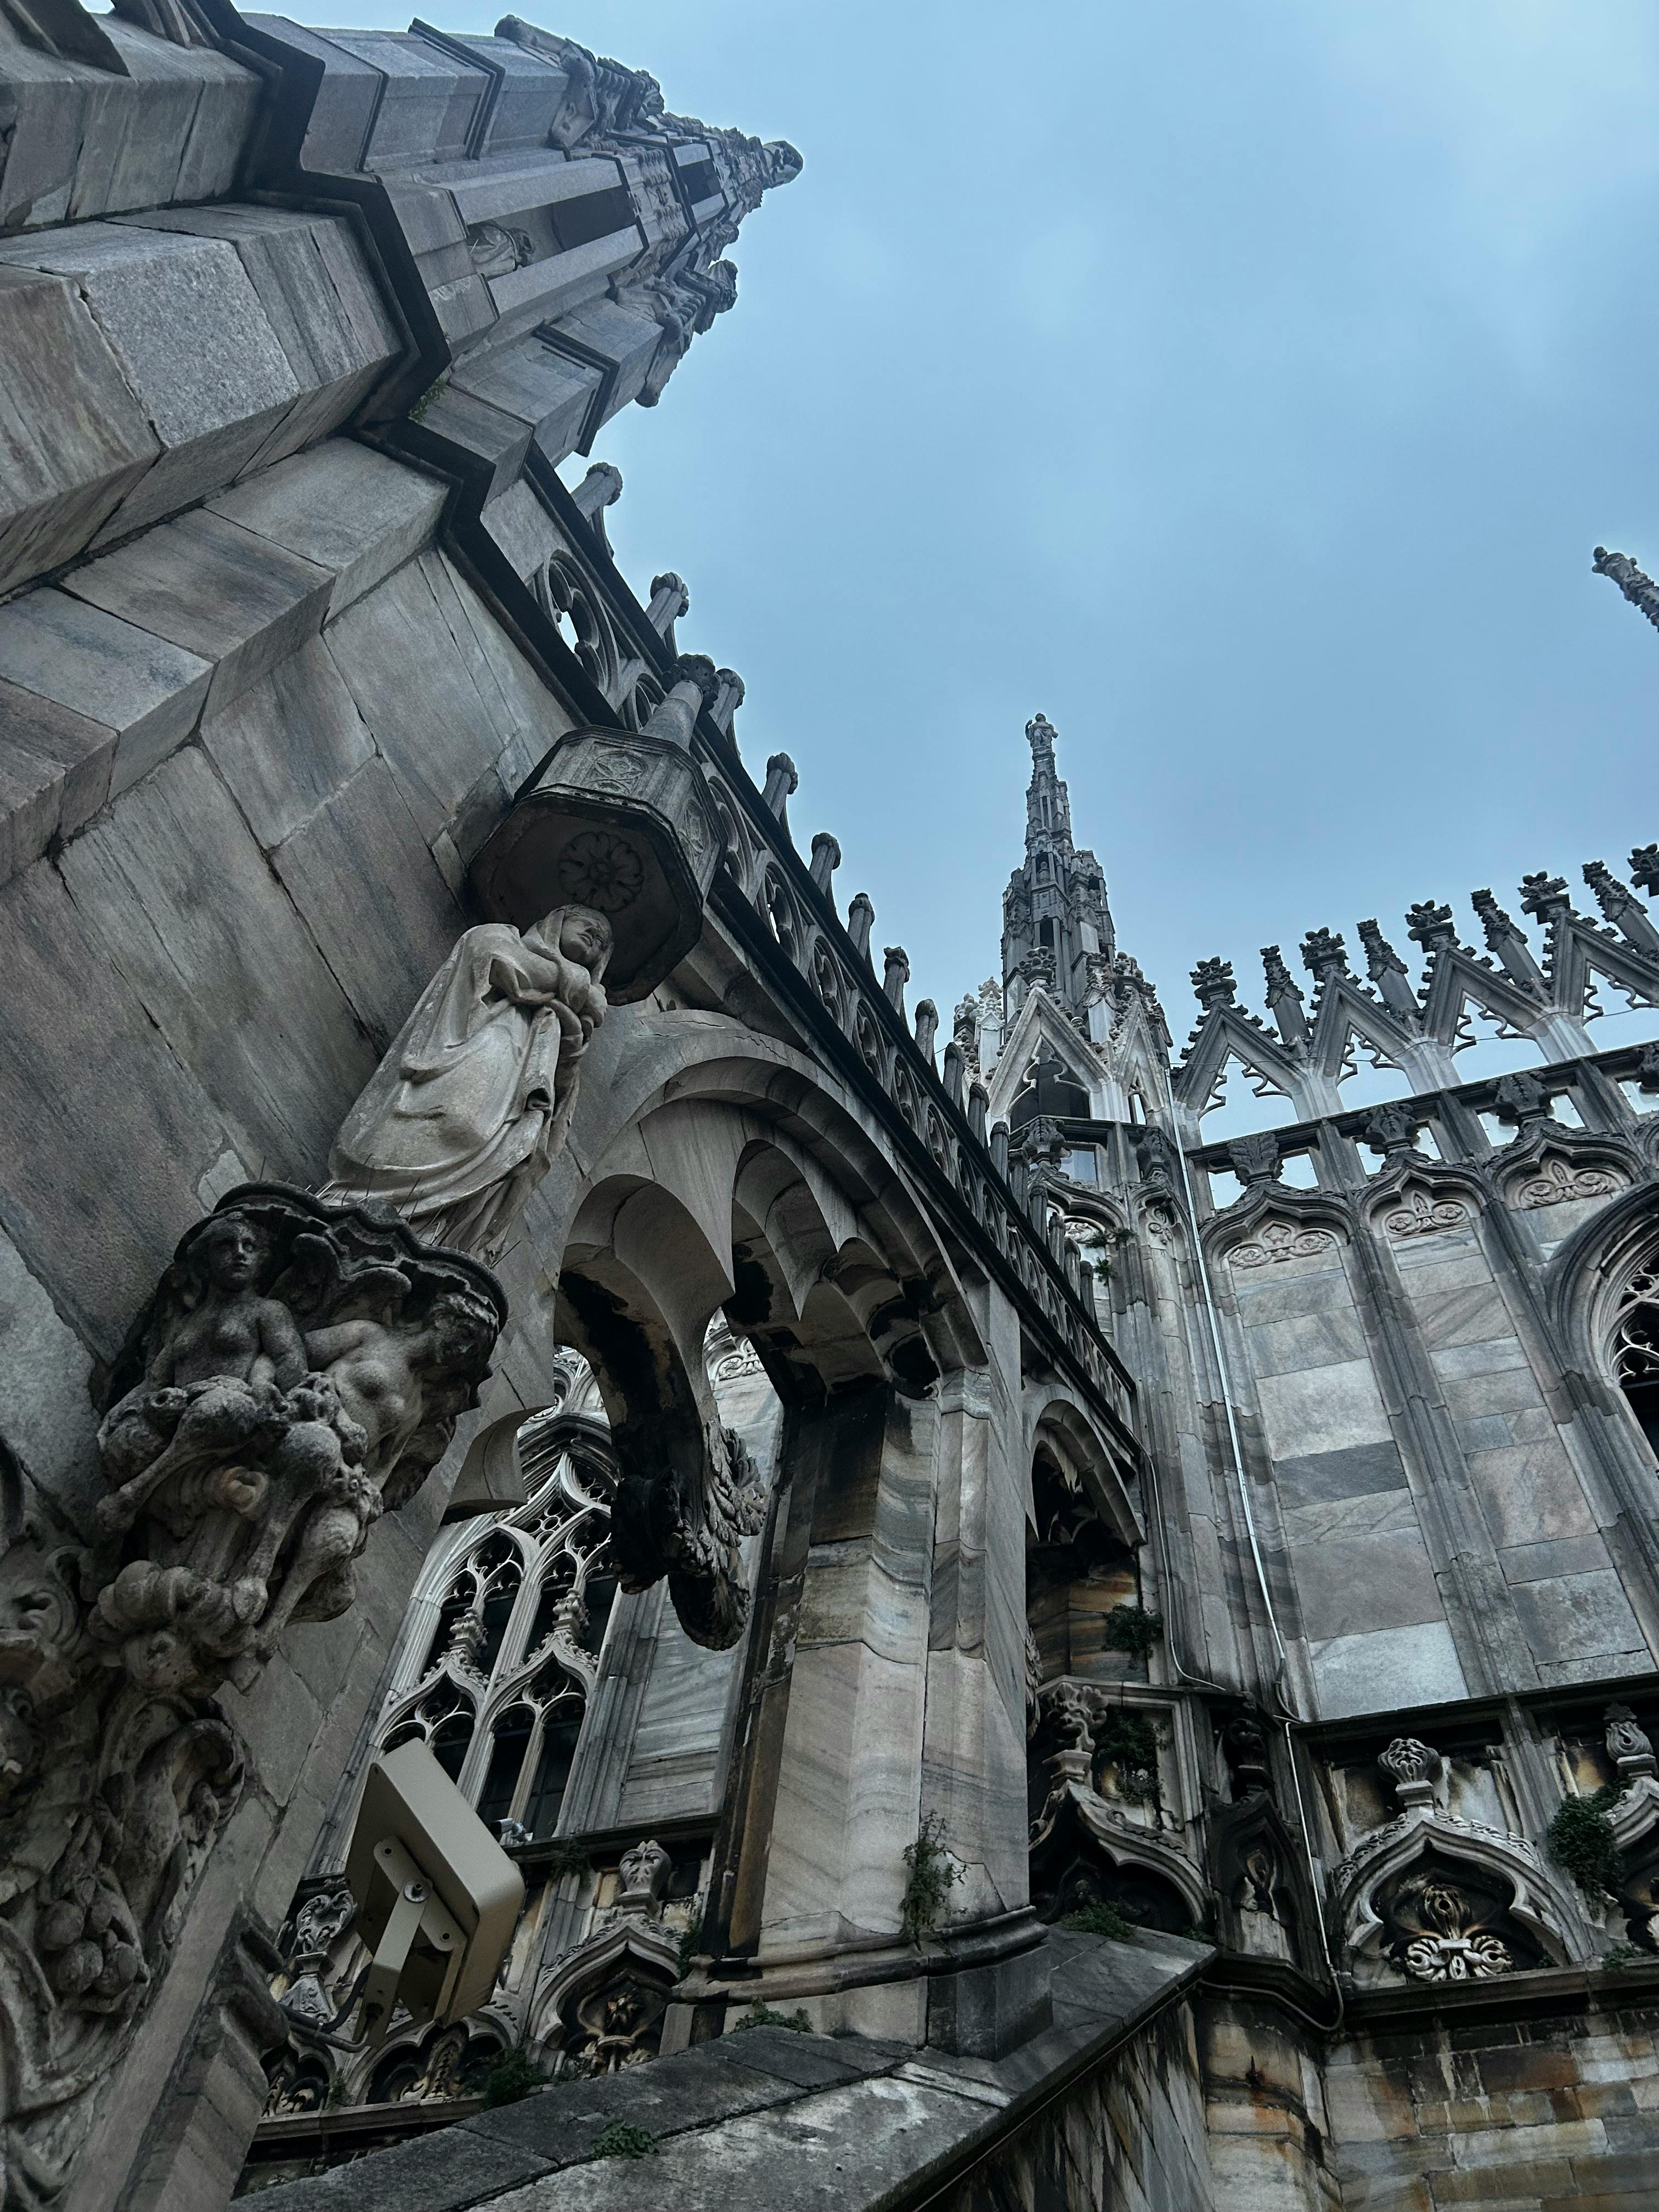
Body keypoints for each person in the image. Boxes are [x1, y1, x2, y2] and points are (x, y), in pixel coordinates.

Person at [321, 906, 612, 1260]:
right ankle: (358, 1207)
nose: (594, 939)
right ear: (559, 920)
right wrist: (578, 988)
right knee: (453, 1122)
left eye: (602, 943)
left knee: (491, 1151)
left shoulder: (566, 1013)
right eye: (588, 926)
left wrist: (570, 1033)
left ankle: (431, 1238)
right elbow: (498, 961)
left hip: (516, 1096)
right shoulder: (501, 935)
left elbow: (562, 1084)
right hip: (469, 1057)